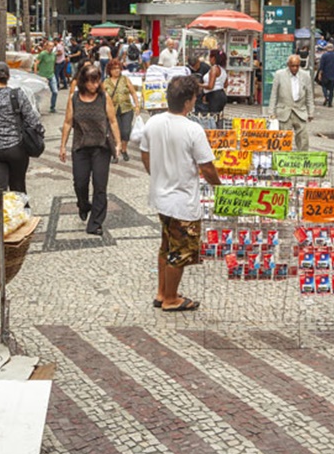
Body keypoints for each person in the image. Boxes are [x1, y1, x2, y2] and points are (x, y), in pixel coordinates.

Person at [140, 75, 221, 312]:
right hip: (182, 201)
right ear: (188, 101)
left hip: (160, 196)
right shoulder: (193, 129)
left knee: (166, 245)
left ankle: (162, 292)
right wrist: (220, 188)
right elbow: (206, 166)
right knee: (180, 251)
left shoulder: (152, 123)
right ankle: (171, 298)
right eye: (195, 97)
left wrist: (155, 174)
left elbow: (145, 154)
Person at [60, 65, 120, 235]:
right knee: (80, 183)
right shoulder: (74, 98)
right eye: (91, 82)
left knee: (100, 186)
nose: (95, 85)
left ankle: (95, 223)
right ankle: (84, 204)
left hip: (101, 147)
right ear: (83, 82)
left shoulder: (103, 97)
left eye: (97, 81)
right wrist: (63, 146)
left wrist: (117, 143)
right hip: (81, 147)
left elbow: (113, 120)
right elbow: (68, 122)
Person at [0, 62, 43, 194]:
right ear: (8, 77)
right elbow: (32, 120)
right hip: (16, 149)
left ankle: (1, 214)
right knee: (18, 189)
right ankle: (22, 213)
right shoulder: (17, 95)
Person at [269, 54, 316, 151]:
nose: (295, 68)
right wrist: (271, 112)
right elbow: (274, 94)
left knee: (303, 138)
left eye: (297, 66)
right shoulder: (279, 75)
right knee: (284, 139)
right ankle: (284, 159)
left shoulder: (305, 76)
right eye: (292, 66)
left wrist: (311, 112)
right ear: (288, 65)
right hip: (284, 111)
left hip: (300, 111)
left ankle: (302, 157)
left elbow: (309, 95)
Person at [102, 60, 140, 161]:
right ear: (109, 70)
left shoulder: (125, 79)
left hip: (126, 108)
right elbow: (102, 97)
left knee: (126, 131)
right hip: (113, 111)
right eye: (114, 69)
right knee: (116, 132)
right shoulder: (106, 82)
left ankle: (124, 149)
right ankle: (116, 152)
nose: (117, 70)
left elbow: (133, 93)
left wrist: (137, 105)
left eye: (118, 68)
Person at [196, 49, 228, 118]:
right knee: (218, 117)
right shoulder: (223, 69)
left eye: (209, 57)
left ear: (213, 58)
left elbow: (211, 86)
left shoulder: (214, 69)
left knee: (212, 117)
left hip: (214, 96)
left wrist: (199, 85)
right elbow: (225, 85)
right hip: (221, 95)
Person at [33, 41, 58, 113]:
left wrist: (53, 71)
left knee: (55, 91)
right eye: (50, 46)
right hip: (43, 76)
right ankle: (37, 107)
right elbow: (36, 63)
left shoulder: (53, 54)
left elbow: (53, 63)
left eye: (52, 46)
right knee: (39, 94)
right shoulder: (43, 54)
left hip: (51, 75)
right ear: (46, 46)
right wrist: (36, 74)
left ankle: (52, 107)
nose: (51, 48)